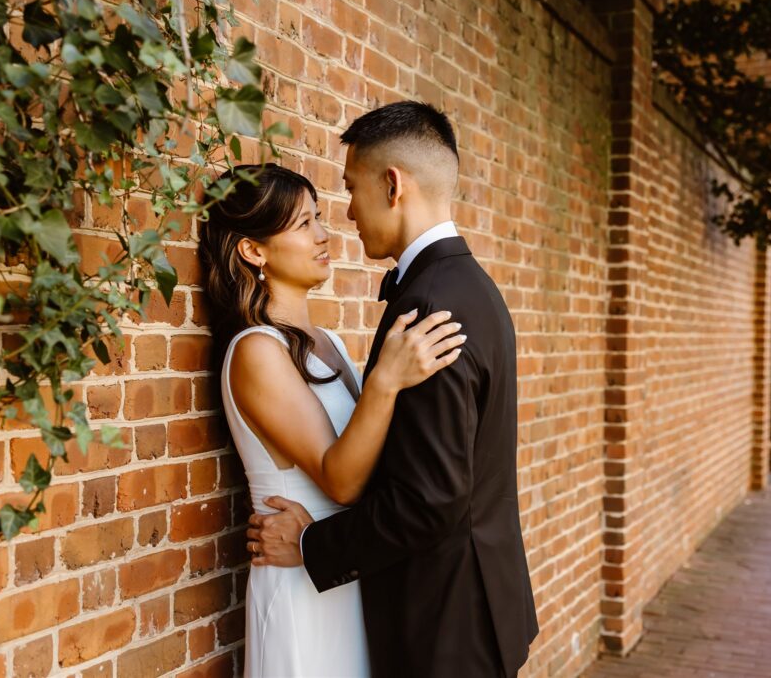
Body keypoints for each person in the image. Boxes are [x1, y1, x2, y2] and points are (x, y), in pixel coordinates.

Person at [247, 101, 541, 677]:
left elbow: (430, 498)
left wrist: (312, 547)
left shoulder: (431, 305)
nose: (349, 212)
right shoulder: (470, 286)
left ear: (392, 184)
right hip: (471, 604)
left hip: (442, 625)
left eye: (352, 188)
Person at [199, 162, 465, 677]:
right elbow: (340, 479)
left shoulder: (330, 344)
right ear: (253, 251)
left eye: (318, 218)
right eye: (303, 224)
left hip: (336, 567)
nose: (324, 235)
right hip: (298, 585)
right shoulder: (256, 350)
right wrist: (386, 381)